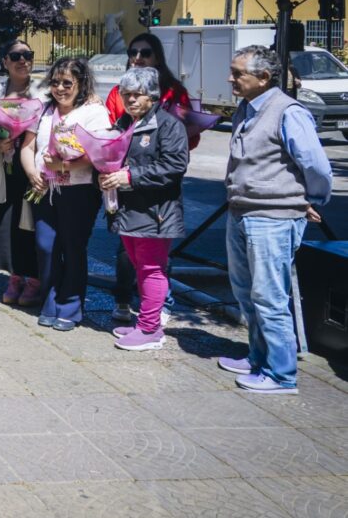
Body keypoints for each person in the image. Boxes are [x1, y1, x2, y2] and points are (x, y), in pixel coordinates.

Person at [217, 45, 332, 394]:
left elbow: (315, 164)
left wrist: (311, 199)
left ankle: (281, 375)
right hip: (241, 211)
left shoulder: (287, 112)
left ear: (264, 78)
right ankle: (258, 356)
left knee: (269, 295)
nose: (231, 78)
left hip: (272, 216)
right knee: (246, 291)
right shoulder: (246, 108)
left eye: (239, 74)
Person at [106, 32, 192, 323]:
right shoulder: (125, 122)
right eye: (126, 95)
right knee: (137, 265)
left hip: (155, 211)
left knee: (151, 269)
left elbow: (174, 165)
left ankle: (149, 328)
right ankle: (143, 321)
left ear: (152, 95)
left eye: (137, 94)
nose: (130, 100)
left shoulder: (168, 123)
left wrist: (129, 177)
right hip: (129, 208)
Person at [21, 57, 110, 331]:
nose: (60, 88)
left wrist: (65, 165)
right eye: (56, 82)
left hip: (78, 191)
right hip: (44, 190)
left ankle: (70, 306)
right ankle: (49, 301)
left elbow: (100, 153)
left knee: (73, 248)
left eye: (67, 82)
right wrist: (31, 173)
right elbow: (27, 147)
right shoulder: (44, 110)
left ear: (81, 83)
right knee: (46, 247)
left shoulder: (94, 112)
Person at [0, 40, 44, 307]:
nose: (23, 60)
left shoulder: (44, 92)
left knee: (30, 225)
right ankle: (15, 275)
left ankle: (34, 279)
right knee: (8, 225)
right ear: (5, 62)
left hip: (35, 169)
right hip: (5, 166)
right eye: (16, 56)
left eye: (27, 55)